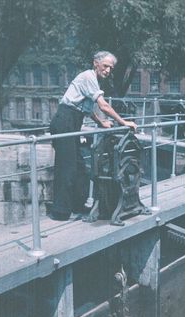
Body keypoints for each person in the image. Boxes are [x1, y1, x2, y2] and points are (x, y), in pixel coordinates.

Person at [49, 51, 137, 221]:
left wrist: (101, 122)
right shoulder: (88, 77)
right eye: (105, 66)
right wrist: (123, 122)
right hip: (64, 121)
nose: (108, 71)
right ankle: (59, 212)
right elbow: (103, 105)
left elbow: (87, 110)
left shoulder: (93, 81)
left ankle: (76, 205)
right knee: (66, 167)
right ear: (95, 63)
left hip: (72, 122)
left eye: (110, 68)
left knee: (80, 167)